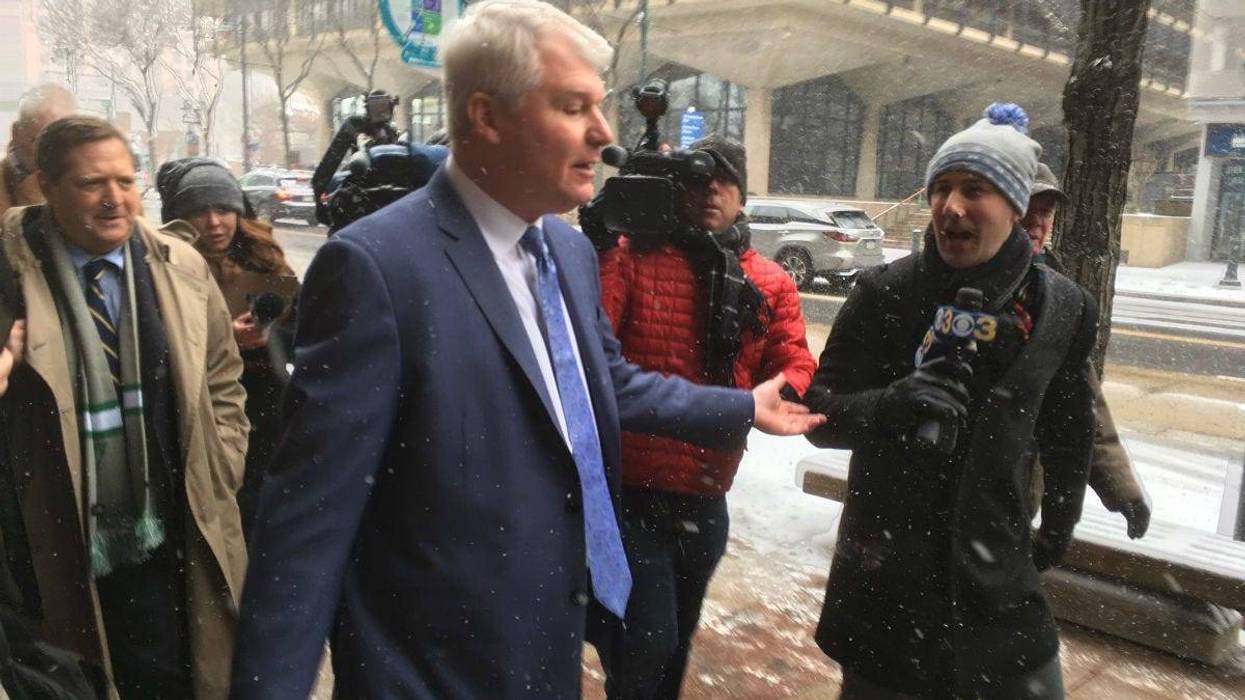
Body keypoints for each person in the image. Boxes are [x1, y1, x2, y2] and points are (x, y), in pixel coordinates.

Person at [229, 2, 824, 699]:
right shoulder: (374, 268)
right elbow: (308, 522)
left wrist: (739, 407)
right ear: (486, 117)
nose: (605, 136)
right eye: (574, 108)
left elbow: (606, 382)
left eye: (599, 108)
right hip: (430, 673)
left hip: (544, 649)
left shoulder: (567, 251)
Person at [802, 103, 1098, 699]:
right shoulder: (885, 292)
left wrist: (1060, 523)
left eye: (975, 189)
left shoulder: (1063, 308)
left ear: (1016, 207)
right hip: (886, 579)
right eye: (941, 188)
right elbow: (819, 412)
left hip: (999, 578)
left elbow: (1070, 428)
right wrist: (893, 404)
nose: (951, 207)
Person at [0, 116, 249, 698]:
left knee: (181, 675)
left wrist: (222, 463)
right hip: (55, 542)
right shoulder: (10, 275)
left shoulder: (180, 266)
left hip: (175, 530)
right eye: (92, 184)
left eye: (126, 180)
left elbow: (223, 377)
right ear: (46, 186)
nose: (115, 199)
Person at [587, 135, 817, 698]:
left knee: (677, 642)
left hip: (706, 497)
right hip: (633, 496)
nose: (712, 189)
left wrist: (780, 392)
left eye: (726, 180)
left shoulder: (770, 281)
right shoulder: (633, 259)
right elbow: (595, 352)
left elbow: (794, 357)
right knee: (646, 643)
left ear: (742, 195)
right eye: (698, 178)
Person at [157, 158, 301, 536]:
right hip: (208, 408)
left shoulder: (265, 260)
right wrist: (225, 342)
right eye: (200, 212)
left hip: (268, 408)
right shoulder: (165, 267)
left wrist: (273, 334)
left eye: (223, 209)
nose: (214, 222)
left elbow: (304, 331)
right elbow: (160, 345)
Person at [1021, 163, 1151, 539]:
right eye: (1026, 209)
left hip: (1014, 514)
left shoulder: (1056, 297)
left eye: (1045, 212)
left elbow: (1080, 402)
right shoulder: (954, 283)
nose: (1036, 222)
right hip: (939, 517)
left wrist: (1120, 487)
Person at [0, 84, 76, 216]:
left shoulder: (84, 178)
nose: (55, 153)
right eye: (42, 142)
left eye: (65, 142)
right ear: (16, 133)